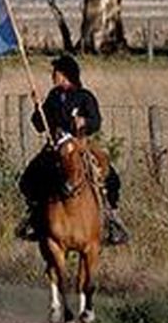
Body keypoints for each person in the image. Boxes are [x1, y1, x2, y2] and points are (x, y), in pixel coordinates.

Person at [17, 54, 129, 246]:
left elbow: (96, 122)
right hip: (55, 147)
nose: (54, 76)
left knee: (111, 178)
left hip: (80, 145)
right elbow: (39, 125)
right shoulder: (53, 97)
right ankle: (34, 217)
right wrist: (38, 107)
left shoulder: (85, 97)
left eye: (56, 72)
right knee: (29, 177)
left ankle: (111, 219)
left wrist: (84, 121)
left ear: (65, 74)